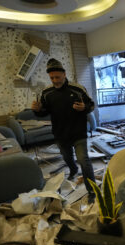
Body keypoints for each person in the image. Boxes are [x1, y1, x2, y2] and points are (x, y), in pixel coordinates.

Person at [32, 58, 96, 202]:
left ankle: (92, 190)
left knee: (84, 161)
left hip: (78, 132)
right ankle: (73, 170)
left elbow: (91, 105)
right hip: (60, 133)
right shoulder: (47, 93)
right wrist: (37, 110)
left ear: (64, 74)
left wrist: (83, 108)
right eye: (52, 78)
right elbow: (44, 112)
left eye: (58, 77)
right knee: (67, 158)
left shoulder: (77, 89)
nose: (55, 80)